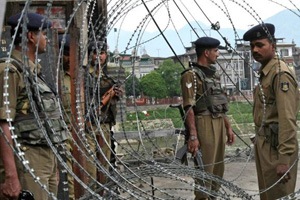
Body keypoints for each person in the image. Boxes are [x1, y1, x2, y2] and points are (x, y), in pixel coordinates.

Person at [0, 12, 68, 199]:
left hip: (45, 156)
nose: (46, 39)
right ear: (31, 37)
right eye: (44, 35)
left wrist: (52, 163)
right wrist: (11, 175)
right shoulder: (10, 71)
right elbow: (3, 124)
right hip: (28, 157)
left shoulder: (32, 71)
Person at [243, 23, 299, 200]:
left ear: (273, 46)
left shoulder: (280, 74)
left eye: (260, 45)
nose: (255, 50)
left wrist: (284, 160)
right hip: (266, 144)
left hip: (277, 148)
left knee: (278, 196)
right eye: (252, 46)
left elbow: (287, 118)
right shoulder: (266, 73)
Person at [180, 36, 235, 200]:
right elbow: (189, 106)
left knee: (217, 171)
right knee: (206, 172)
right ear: (206, 52)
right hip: (204, 124)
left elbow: (218, 104)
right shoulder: (190, 75)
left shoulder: (213, 75)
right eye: (216, 51)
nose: (218, 54)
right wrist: (193, 136)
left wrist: (228, 127)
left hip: (218, 122)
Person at [84, 40, 122, 194]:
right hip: (90, 127)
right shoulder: (85, 77)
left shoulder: (106, 78)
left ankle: (102, 194)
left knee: (104, 166)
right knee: (90, 169)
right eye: (95, 53)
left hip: (105, 126)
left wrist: (115, 95)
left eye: (102, 53)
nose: (99, 56)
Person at [58, 33, 75, 200]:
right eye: (66, 53)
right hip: (61, 133)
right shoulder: (56, 79)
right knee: (67, 180)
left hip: (77, 133)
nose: (69, 58)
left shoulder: (77, 78)